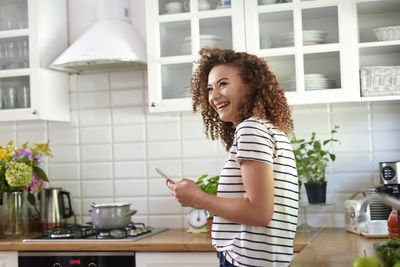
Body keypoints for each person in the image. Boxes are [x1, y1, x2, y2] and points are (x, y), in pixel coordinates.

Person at [167, 48, 298, 267]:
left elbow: (259, 213)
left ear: (251, 86)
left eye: (223, 84)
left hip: (244, 262)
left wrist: (196, 198)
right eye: (210, 88)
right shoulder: (269, 129)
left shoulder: (251, 129)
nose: (214, 96)